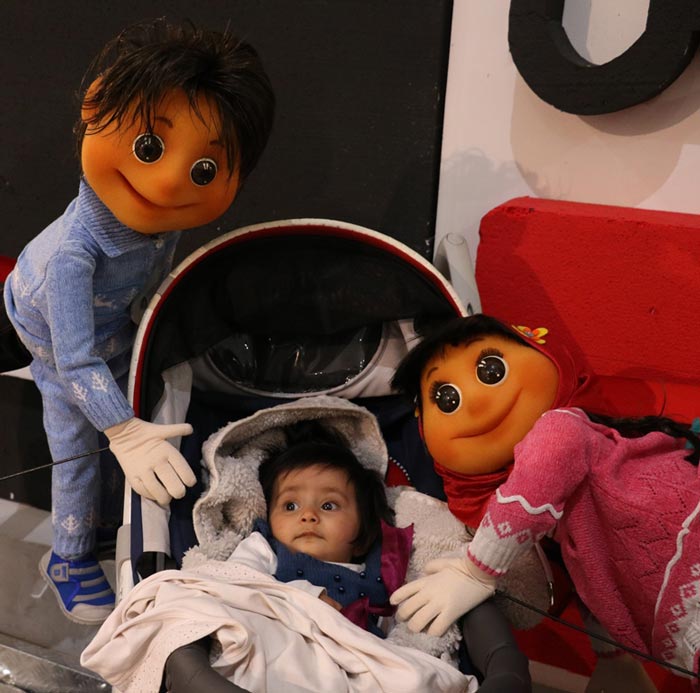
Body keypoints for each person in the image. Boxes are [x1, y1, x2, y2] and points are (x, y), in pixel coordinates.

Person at [2, 18, 275, 624]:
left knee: (139, 418)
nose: (172, 180)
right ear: (96, 107)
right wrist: (121, 430)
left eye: (204, 170)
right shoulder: (70, 257)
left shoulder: (162, 225)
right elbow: (74, 361)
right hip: (53, 339)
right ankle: (68, 554)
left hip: (113, 329)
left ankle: (106, 522)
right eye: (150, 148)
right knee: (77, 446)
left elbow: (153, 282)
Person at [388, 313, 700, 682]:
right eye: (446, 398)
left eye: (491, 370)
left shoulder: (564, 428)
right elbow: (592, 572)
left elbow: (554, 446)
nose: (475, 402)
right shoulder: (552, 512)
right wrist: (613, 657)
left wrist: (476, 570)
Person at [163, 421, 414, 692]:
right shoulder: (265, 549)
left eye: (328, 505)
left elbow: (394, 637)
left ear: (362, 532)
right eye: (290, 505)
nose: (308, 515)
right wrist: (304, 596)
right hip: (278, 660)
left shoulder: (380, 571)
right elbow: (234, 584)